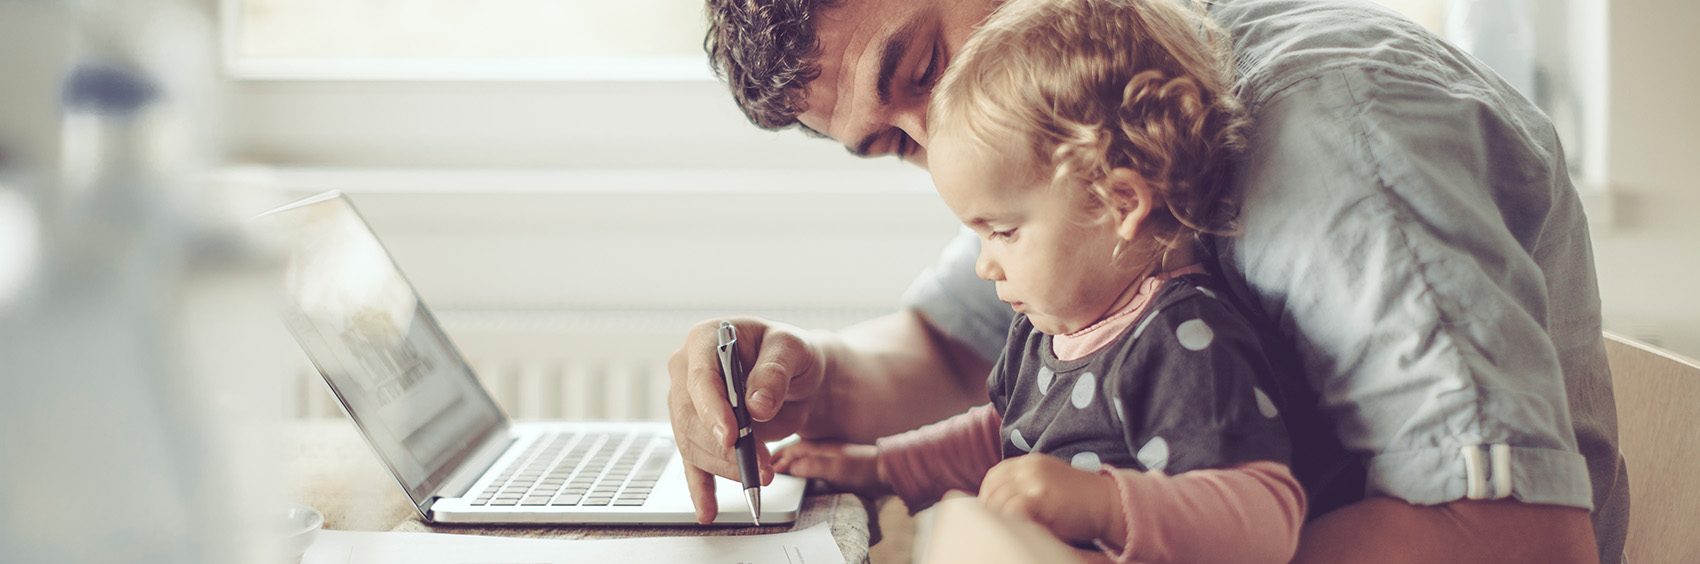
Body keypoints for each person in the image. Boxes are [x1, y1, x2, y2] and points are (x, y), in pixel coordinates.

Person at [675, 0, 1625, 562]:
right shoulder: (1071, 152)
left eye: (926, 68)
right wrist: (806, 378)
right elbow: (948, 344)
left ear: (1127, 196)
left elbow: (1524, 545)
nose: (941, 147)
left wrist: (1116, 528)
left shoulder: (1326, 136)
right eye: (892, 145)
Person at [765, 1, 1331, 561]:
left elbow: (1264, 516)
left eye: (1003, 231)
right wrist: (881, 467)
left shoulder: (1184, 340)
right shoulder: (1048, 332)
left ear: (1120, 201)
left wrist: (1104, 504)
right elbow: (1002, 433)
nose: (985, 265)